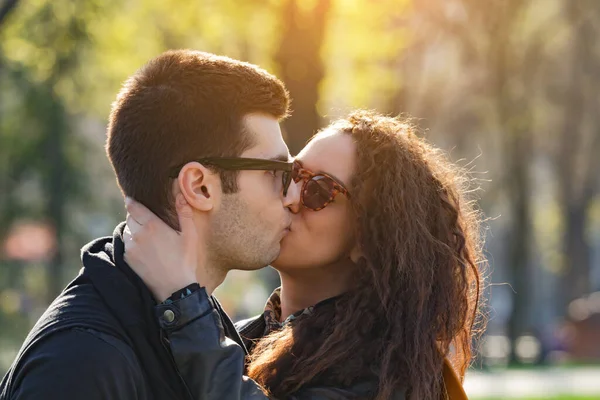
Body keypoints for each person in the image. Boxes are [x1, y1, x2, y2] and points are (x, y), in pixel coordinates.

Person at [124, 110, 485, 399]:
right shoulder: (241, 338)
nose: (290, 197)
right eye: (290, 174)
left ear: (369, 238)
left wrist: (182, 300)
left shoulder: (388, 376)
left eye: (319, 190)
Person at [0, 49, 294, 400]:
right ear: (200, 186)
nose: (291, 195)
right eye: (277, 174)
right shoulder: (82, 362)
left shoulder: (191, 328)